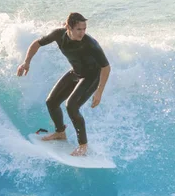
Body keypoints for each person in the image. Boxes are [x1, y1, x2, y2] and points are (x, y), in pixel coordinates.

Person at [17, 12, 111, 156]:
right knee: (51, 102)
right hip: (76, 72)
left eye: (84, 29)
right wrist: (26, 62)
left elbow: (106, 67)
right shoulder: (58, 35)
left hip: (92, 77)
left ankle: (83, 145)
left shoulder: (90, 44)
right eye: (79, 29)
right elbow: (37, 43)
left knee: (72, 105)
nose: (82, 33)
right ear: (69, 27)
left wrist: (99, 91)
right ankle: (60, 132)